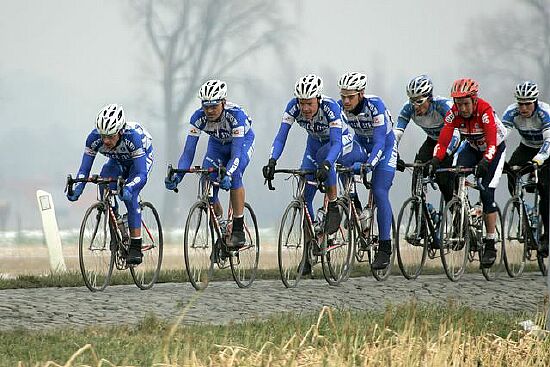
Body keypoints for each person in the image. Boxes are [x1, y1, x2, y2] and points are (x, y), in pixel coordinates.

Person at [262, 74, 352, 273]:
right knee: (304, 199)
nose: (305, 108)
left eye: (309, 104)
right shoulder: (292, 107)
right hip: (313, 144)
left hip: (338, 143)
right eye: (302, 103)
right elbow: (280, 137)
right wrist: (272, 160)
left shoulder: (331, 108)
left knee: (324, 157)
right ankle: (309, 254)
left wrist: (328, 164)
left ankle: (334, 204)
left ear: (318, 99)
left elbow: (336, 143)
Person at [164, 79, 255, 249]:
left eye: (214, 106)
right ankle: (220, 224)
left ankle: (237, 228)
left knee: (234, 175)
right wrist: (179, 175)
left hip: (241, 144)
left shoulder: (236, 116)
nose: (210, 111)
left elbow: (235, 154)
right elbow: (188, 152)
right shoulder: (197, 118)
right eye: (206, 107)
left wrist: (227, 173)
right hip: (217, 146)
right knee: (206, 180)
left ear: (223, 103)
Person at [429, 78, 508, 268]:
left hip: (493, 149)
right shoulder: (453, 113)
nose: (462, 108)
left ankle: (490, 243)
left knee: (487, 190)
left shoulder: (485, 111)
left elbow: (491, 144)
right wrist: (435, 159)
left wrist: (485, 162)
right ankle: (463, 213)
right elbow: (444, 140)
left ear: (474, 100)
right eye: (458, 104)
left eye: (465, 103)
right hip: (472, 147)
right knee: (454, 172)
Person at [67, 104, 154, 265]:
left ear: (120, 132)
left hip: (140, 161)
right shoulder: (93, 139)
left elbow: (141, 174)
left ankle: (136, 244)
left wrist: (129, 187)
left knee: (130, 196)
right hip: (117, 161)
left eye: (111, 136)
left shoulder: (132, 138)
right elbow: (84, 169)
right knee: (104, 179)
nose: (106, 141)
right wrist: (78, 187)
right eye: (103, 136)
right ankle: (116, 229)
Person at [335, 71, 397, 270]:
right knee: (341, 160)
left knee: (379, 191)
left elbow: (380, 142)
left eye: (350, 97)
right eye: (343, 96)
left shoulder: (375, 106)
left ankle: (385, 248)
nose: (345, 101)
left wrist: (369, 165)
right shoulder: (339, 107)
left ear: (361, 94)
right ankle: (354, 203)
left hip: (384, 148)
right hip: (361, 143)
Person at [502, 81, 550, 256]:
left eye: (527, 104)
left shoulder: (545, 113)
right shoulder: (511, 112)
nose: (523, 108)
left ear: (535, 102)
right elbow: (500, 136)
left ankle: (546, 236)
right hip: (527, 146)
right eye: (520, 103)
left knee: (545, 188)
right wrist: (497, 159)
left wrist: (538, 160)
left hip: (546, 149)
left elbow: (548, 142)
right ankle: (524, 212)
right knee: (511, 173)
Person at [395, 75, 457, 203]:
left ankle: (455, 210)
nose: (415, 106)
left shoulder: (443, 106)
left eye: (419, 101)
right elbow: (397, 133)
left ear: (429, 98)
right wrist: (393, 153)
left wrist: (439, 157)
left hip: (451, 141)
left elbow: (456, 134)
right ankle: (422, 213)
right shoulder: (408, 108)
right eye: (412, 101)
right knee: (418, 169)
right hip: (433, 141)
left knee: (443, 178)